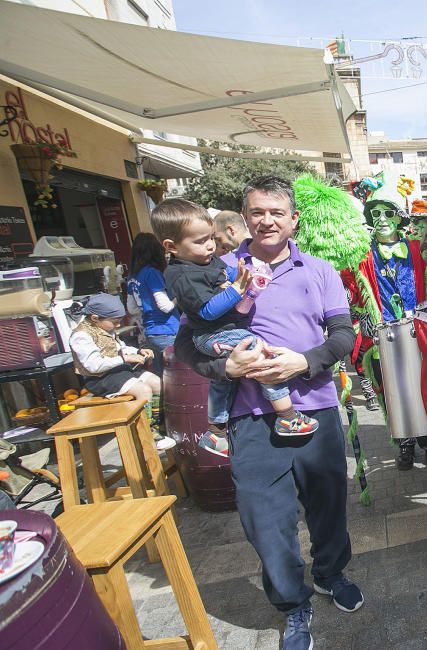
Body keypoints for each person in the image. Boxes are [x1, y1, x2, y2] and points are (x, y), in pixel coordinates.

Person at [174, 176, 362, 650]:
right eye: (257, 212)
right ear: (243, 219)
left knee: (328, 506)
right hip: (251, 417)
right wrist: (225, 365)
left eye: (277, 212)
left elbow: (343, 335)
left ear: (293, 219)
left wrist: (307, 361)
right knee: (265, 520)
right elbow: (184, 346)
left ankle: (329, 573)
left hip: (315, 408)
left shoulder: (319, 270)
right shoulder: (218, 271)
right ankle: (293, 606)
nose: (267, 220)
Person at [154, 198, 319, 457]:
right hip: (211, 334)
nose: (210, 246)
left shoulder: (206, 260)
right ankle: (287, 416)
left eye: (210, 238)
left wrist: (247, 276)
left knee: (224, 382)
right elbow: (207, 311)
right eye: (200, 241)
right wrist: (236, 290)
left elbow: (228, 274)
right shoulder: (182, 275)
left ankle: (216, 432)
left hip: (222, 332)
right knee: (259, 353)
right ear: (171, 246)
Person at [354, 180, 427, 472]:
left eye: (388, 213)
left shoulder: (419, 250)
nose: (381, 220)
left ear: (399, 217)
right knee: (391, 389)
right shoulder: (362, 255)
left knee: (424, 388)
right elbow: (352, 289)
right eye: (375, 214)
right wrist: (361, 311)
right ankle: (404, 444)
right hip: (384, 335)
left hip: (419, 331)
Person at [68, 293, 174, 451]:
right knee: (143, 390)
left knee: (156, 382)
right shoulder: (81, 336)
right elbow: (93, 365)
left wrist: (138, 351)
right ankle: (147, 432)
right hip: (100, 379)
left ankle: (159, 424)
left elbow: (120, 347)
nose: (118, 325)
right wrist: (125, 359)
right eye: (115, 322)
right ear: (95, 318)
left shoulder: (106, 329)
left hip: (119, 371)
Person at [126, 232, 179, 374]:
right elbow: (165, 306)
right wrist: (180, 296)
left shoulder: (132, 276)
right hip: (168, 330)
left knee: (161, 377)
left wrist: (148, 308)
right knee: (178, 377)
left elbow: (132, 308)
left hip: (150, 333)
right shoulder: (152, 272)